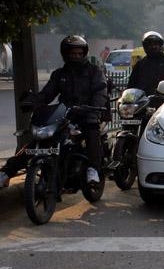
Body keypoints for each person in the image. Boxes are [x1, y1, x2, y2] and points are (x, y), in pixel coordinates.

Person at [0, 36, 108, 188]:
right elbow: (47, 94)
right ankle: (6, 172)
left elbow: (100, 92)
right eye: (73, 54)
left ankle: (93, 169)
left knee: (92, 130)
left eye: (79, 53)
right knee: (38, 141)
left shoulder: (94, 71)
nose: (76, 56)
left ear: (84, 53)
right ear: (66, 54)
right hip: (65, 115)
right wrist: (33, 101)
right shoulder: (59, 74)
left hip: (87, 113)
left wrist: (94, 108)